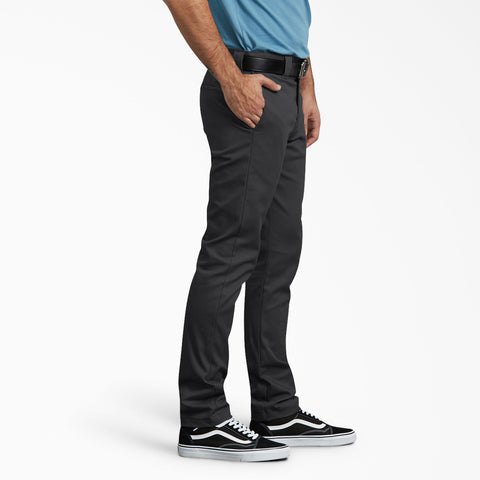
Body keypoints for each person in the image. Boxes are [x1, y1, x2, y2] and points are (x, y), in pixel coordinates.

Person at [163, 0, 356, 461]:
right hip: (249, 83)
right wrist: (230, 77)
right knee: (231, 251)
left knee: (278, 255)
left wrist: (305, 83)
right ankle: (203, 416)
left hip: (287, 88)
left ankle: (275, 407)